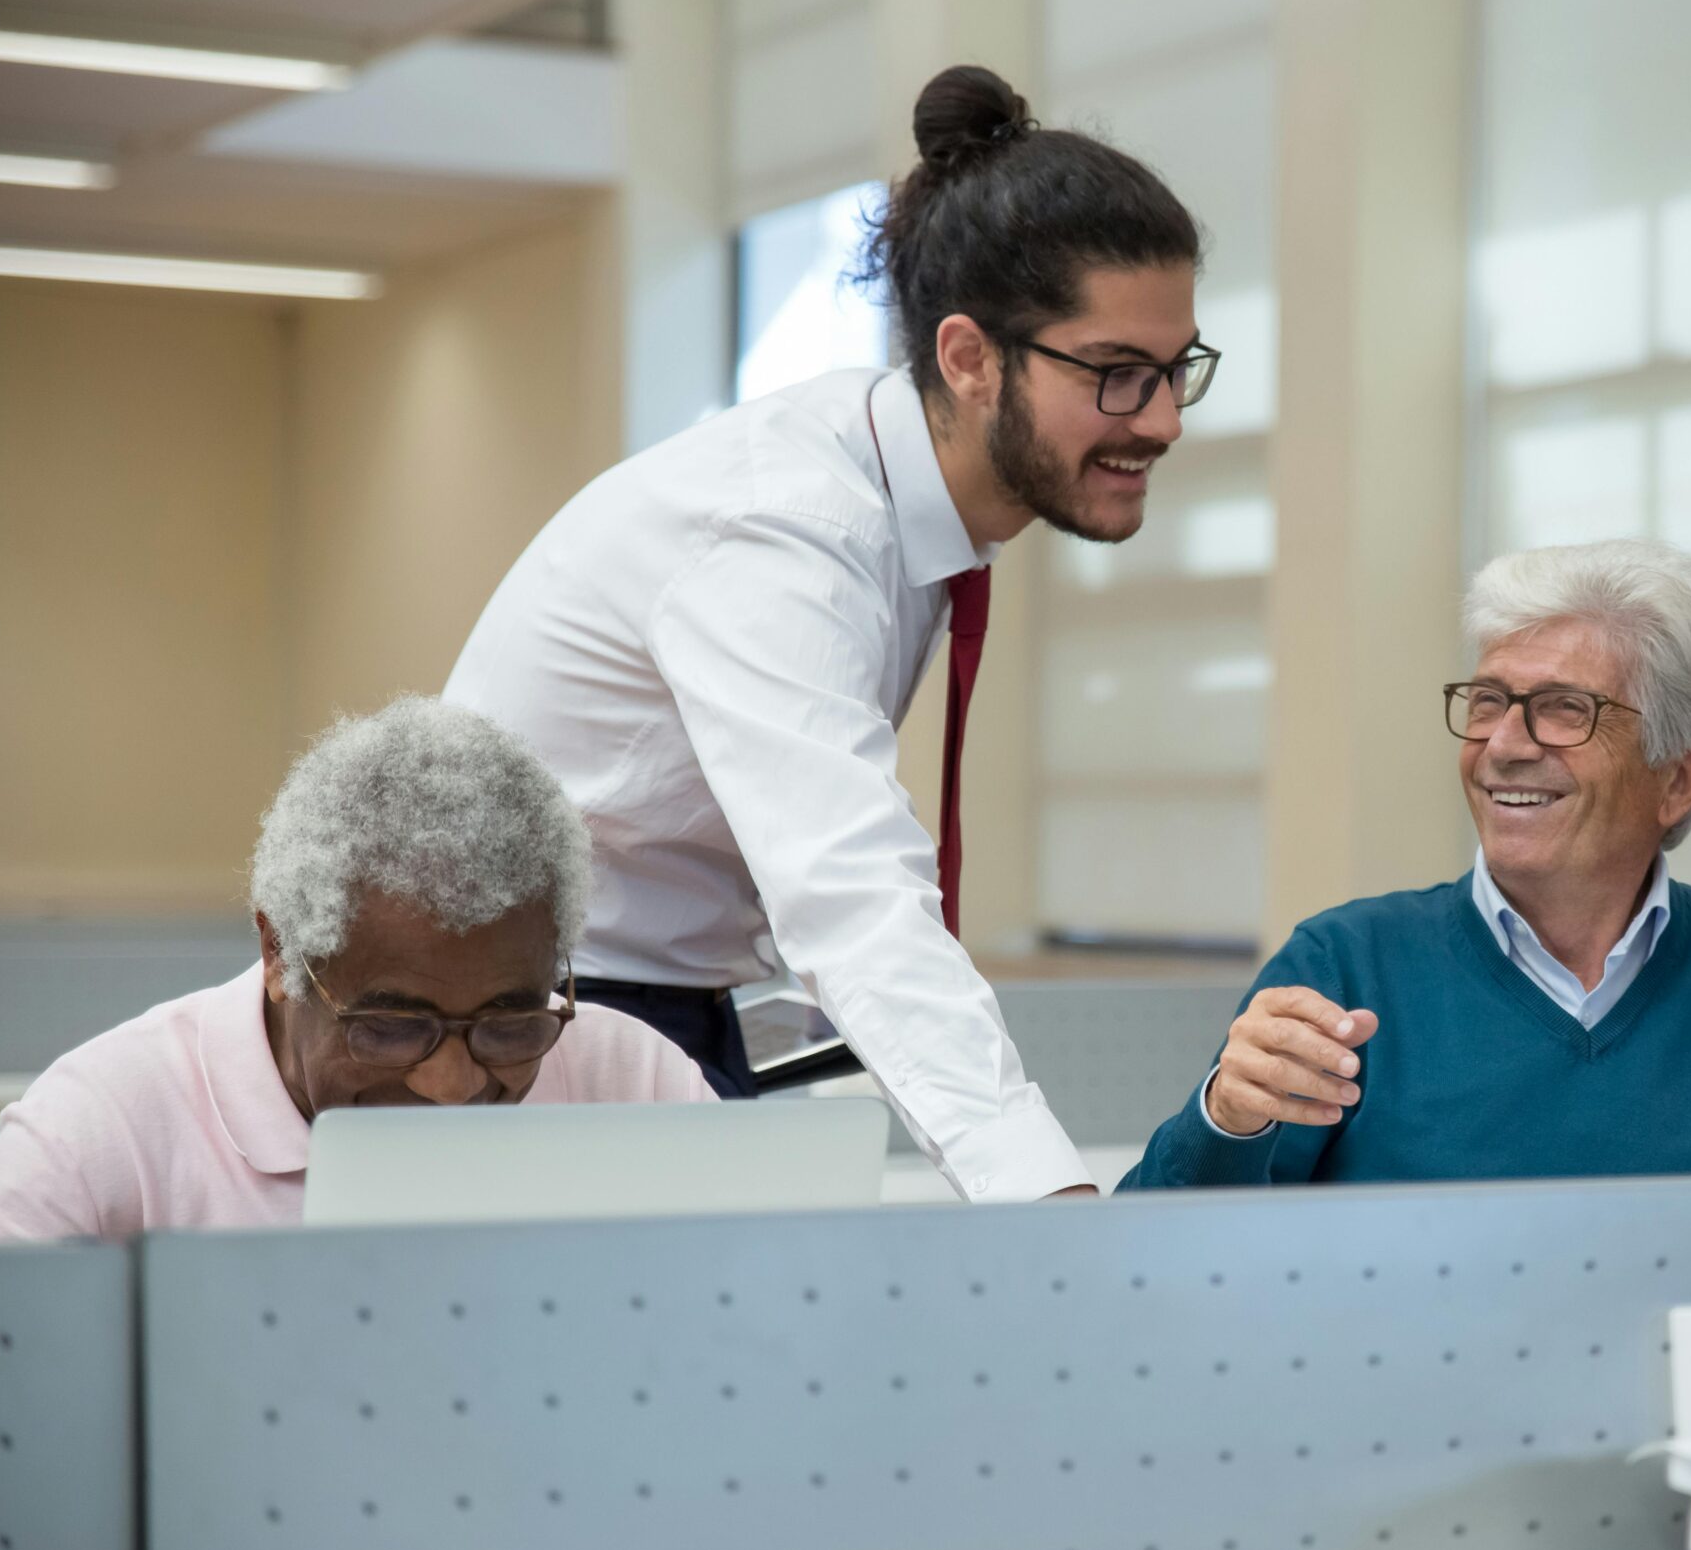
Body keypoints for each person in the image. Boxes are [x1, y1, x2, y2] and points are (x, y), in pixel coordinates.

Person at [444, 65, 1212, 1203]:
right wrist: (1046, 1200)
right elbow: (850, 897)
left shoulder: (900, 508)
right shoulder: (783, 531)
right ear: (967, 357)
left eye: (1175, 368)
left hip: (685, 1002)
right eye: (1113, 374)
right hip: (528, 1029)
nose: (1156, 420)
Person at [1121, 540, 1691, 1191]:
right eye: (1487, 702)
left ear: (1680, 778)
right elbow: (1145, 1263)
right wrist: (1227, 1116)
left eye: (1563, 710)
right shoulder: (1344, 967)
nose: (1504, 747)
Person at [0, 699, 715, 1243]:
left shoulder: (637, 1087)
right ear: (277, 954)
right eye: (392, 1026)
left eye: (507, 1022)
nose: (454, 1086)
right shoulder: (104, 1132)